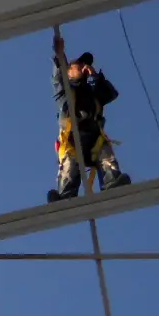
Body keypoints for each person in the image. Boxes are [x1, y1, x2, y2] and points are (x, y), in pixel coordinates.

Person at [47, 41, 131, 203]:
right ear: (69, 72)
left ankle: (112, 182)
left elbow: (110, 94)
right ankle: (65, 195)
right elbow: (58, 78)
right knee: (70, 165)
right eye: (78, 65)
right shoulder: (65, 93)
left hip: (94, 138)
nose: (83, 67)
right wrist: (60, 56)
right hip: (73, 139)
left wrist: (94, 76)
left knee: (105, 155)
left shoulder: (94, 91)